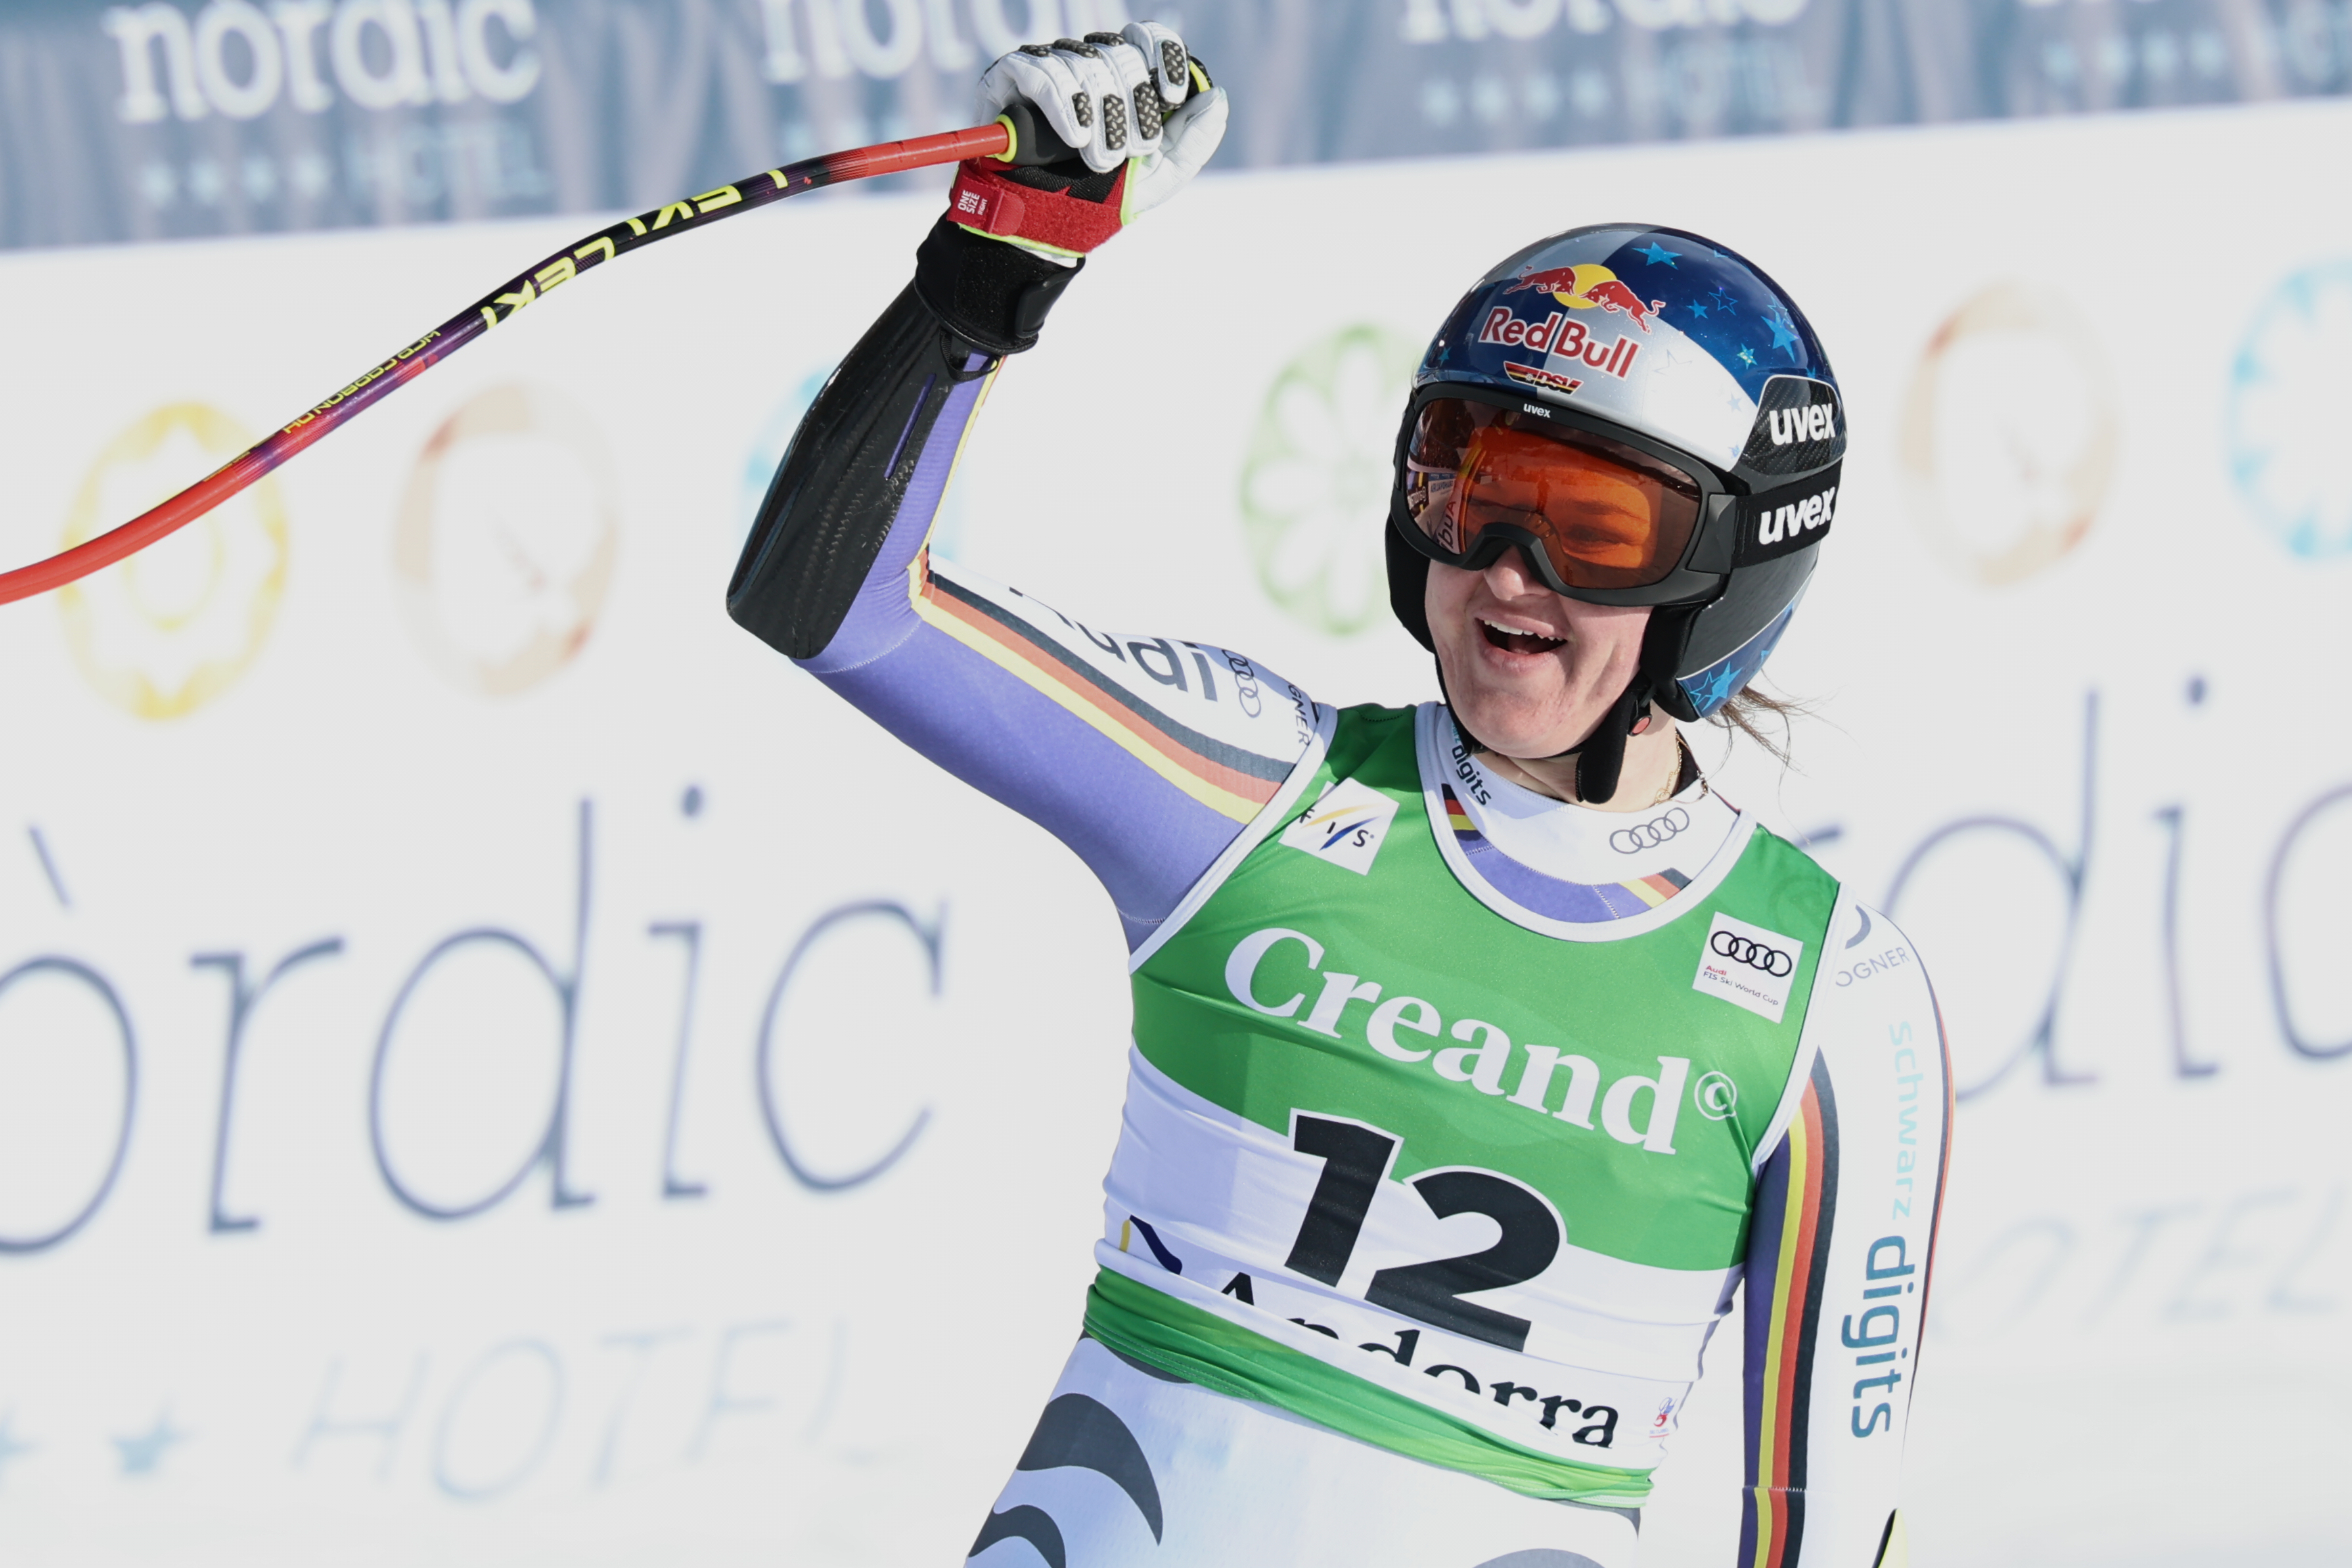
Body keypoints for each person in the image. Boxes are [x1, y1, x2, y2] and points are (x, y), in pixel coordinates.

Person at [728, 26, 1951, 1567]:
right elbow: (839, 606)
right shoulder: (1255, 787)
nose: (1511, 569)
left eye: (1595, 524)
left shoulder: (1831, 1000)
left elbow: (1822, 1527)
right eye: (1470, 483)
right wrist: (996, 264)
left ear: (1730, 574)